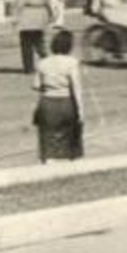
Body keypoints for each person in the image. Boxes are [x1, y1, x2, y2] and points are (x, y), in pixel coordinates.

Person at [32, 29, 84, 162]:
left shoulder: (42, 63)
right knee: (71, 135)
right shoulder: (72, 62)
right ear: (69, 46)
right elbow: (76, 87)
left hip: (47, 102)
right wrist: (80, 110)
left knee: (47, 136)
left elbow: (36, 85)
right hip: (66, 102)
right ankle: (71, 159)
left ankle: (48, 161)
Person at [14, 0, 53, 75]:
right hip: (40, 15)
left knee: (26, 44)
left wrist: (15, 19)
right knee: (40, 42)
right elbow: (48, 3)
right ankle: (48, 63)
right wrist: (51, 15)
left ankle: (29, 68)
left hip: (27, 16)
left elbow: (19, 5)